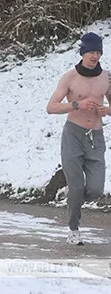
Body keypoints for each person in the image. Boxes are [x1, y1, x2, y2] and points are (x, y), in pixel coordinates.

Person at [46, 32, 107, 245]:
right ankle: (73, 229)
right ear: (83, 52)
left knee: (96, 189)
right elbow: (51, 107)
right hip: (73, 134)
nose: (95, 56)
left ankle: (73, 197)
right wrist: (76, 105)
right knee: (77, 186)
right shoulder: (70, 77)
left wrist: (106, 110)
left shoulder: (106, 77)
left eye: (99, 51)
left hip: (96, 137)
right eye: (91, 51)